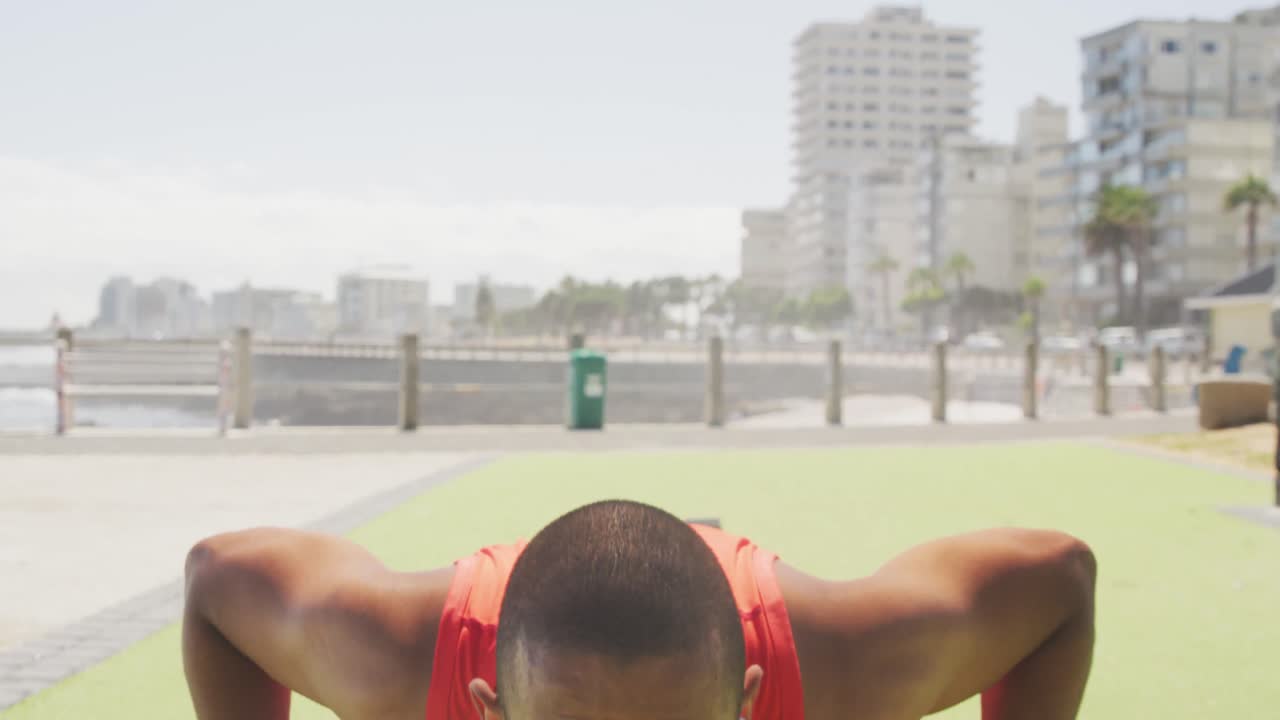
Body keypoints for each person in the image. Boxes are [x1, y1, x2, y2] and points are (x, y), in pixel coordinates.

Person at [183, 499, 1096, 720]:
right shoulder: (385, 655)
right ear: (489, 710)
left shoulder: (844, 662)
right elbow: (216, 573)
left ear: (748, 703)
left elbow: (1060, 574)